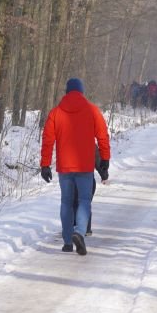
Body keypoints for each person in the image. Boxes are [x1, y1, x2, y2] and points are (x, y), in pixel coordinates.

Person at [40, 77, 110, 255]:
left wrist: (45, 165)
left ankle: (67, 242)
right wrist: (105, 158)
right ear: (82, 92)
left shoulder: (55, 113)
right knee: (84, 201)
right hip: (85, 166)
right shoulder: (92, 111)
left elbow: (48, 140)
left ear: (66, 92)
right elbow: (103, 136)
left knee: (66, 202)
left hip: (65, 167)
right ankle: (79, 232)